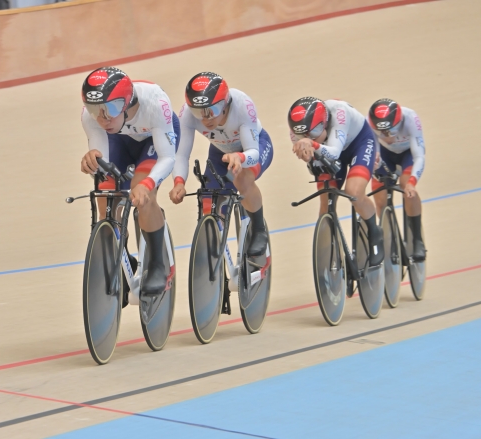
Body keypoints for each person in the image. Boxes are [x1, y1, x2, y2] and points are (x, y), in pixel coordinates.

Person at [80, 67, 179, 297]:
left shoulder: (155, 103)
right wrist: (92, 161)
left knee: (142, 194)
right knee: (106, 198)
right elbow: (103, 161)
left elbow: (167, 158)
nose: (102, 118)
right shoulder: (91, 117)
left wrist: (148, 184)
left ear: (127, 103)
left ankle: (157, 264)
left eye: (110, 109)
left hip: (153, 142)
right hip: (119, 140)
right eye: (95, 110)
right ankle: (122, 260)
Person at [169, 72, 273, 256]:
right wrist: (179, 181)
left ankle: (259, 230)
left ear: (225, 104)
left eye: (211, 111)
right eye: (198, 112)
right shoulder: (187, 114)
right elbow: (181, 155)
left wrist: (240, 157)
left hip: (252, 147)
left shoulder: (242, 105)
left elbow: (253, 152)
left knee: (242, 179)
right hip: (221, 152)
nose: (205, 119)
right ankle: (217, 254)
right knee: (210, 201)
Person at [288, 97, 384, 266]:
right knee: (326, 202)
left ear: (324, 123)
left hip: (358, 144)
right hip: (327, 149)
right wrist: (309, 159)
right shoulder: (297, 131)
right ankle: (329, 258)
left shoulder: (340, 113)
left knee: (354, 192)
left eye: (314, 132)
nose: (308, 137)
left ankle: (375, 233)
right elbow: (312, 161)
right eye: (303, 134)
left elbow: (333, 152)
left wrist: (312, 145)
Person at [369, 98, 426, 260]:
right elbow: (374, 154)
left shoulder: (410, 119)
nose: (386, 136)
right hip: (384, 154)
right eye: (381, 133)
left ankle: (417, 239)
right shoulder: (369, 123)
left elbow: (419, 156)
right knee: (380, 198)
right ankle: (391, 239)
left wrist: (412, 183)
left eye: (390, 131)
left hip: (407, 154)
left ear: (399, 123)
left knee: (407, 188)